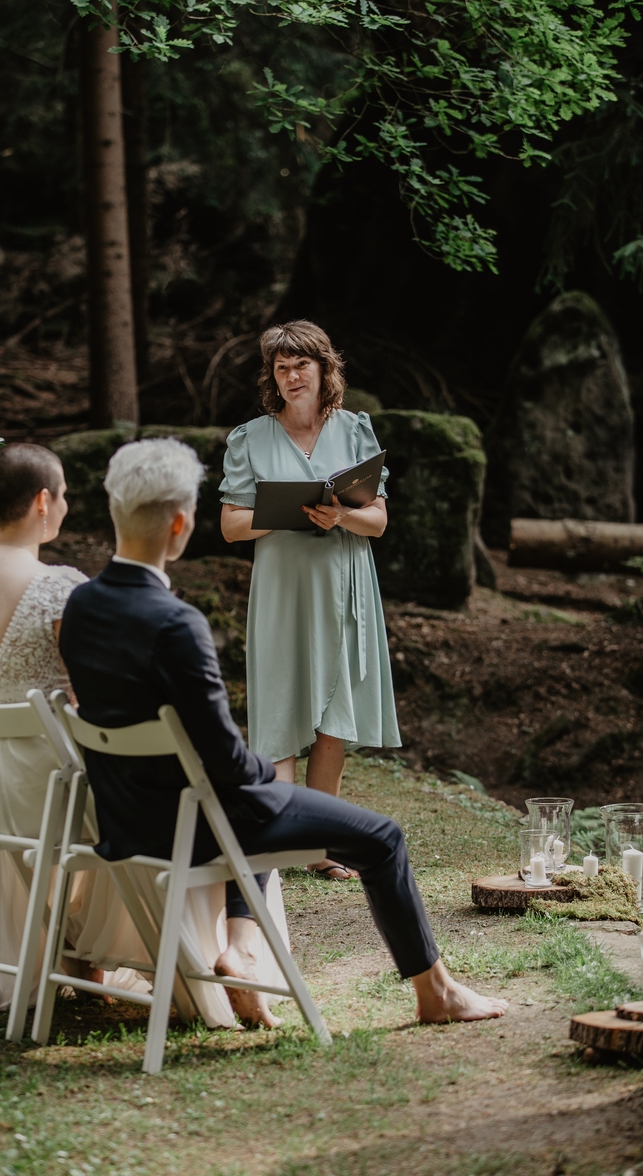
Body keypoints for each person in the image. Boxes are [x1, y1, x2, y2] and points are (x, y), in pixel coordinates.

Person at [59, 438, 509, 1026]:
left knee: (265, 800)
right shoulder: (176, 623)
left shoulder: (81, 606)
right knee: (382, 837)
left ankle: (243, 951)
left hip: (124, 818)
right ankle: (437, 994)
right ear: (180, 523)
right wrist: (263, 775)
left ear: (116, 508)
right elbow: (225, 761)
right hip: (198, 826)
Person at [0, 442, 285, 1026]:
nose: (69, 506)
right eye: (68, 495)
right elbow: (93, 694)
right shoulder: (55, 587)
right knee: (204, 792)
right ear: (44, 501)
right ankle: (230, 955)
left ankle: (76, 958)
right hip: (60, 794)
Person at [219, 320, 399, 879]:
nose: (292, 376)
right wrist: (282, 516)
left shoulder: (355, 429)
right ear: (272, 376)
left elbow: (379, 522)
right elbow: (230, 525)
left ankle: (323, 844)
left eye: (302, 365)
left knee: (333, 713)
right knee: (280, 702)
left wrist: (340, 514)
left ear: (324, 369)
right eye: (281, 367)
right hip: (282, 587)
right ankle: (281, 839)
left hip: (344, 585)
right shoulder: (250, 437)